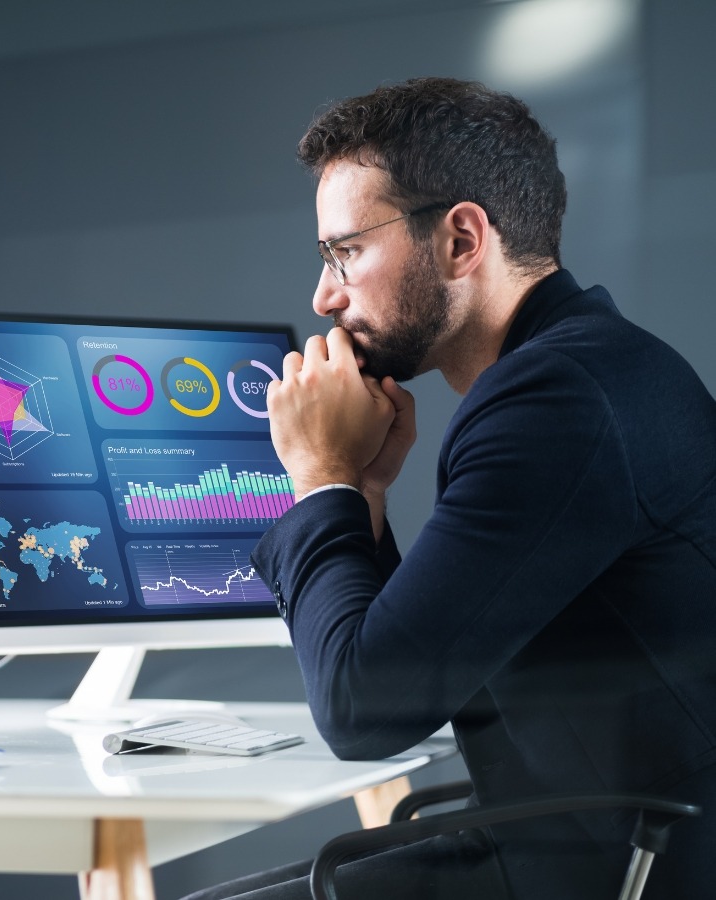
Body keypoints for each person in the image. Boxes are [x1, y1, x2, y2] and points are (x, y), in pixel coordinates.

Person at [187, 77, 716, 899]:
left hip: (607, 867)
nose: (324, 296)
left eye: (345, 251)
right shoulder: (587, 370)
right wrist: (361, 490)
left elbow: (365, 713)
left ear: (462, 239)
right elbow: (421, 668)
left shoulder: (556, 402)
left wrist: (317, 475)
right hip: (599, 840)